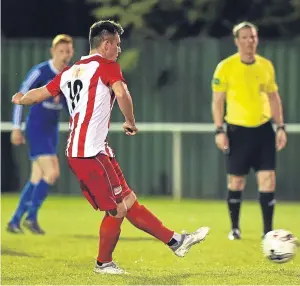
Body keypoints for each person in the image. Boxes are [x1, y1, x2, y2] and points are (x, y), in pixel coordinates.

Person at [12, 20, 210, 274]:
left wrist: (21, 99)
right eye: (117, 44)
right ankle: (103, 263)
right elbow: (123, 93)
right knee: (117, 209)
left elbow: (39, 93)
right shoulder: (106, 66)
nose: (119, 49)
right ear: (106, 44)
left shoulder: (72, 71)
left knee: (128, 200)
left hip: (95, 150)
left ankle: (176, 242)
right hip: (88, 154)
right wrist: (130, 121)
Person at [211, 21, 287, 240]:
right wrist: (219, 129)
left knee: (268, 179)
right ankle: (235, 228)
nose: (249, 41)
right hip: (237, 130)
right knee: (236, 181)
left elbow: (273, 97)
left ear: (257, 39)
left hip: (263, 130)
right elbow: (218, 100)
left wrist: (280, 126)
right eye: (244, 37)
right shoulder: (225, 67)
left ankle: (268, 232)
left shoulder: (266, 66)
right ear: (237, 41)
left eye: (252, 37)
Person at [7, 34, 74, 235]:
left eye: (68, 52)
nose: (64, 55)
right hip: (36, 128)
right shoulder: (41, 72)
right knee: (52, 173)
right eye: (61, 51)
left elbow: (70, 105)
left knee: (37, 177)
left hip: (51, 131)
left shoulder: (69, 76)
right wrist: (16, 127)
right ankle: (32, 217)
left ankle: (15, 220)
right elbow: (21, 96)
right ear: (53, 52)